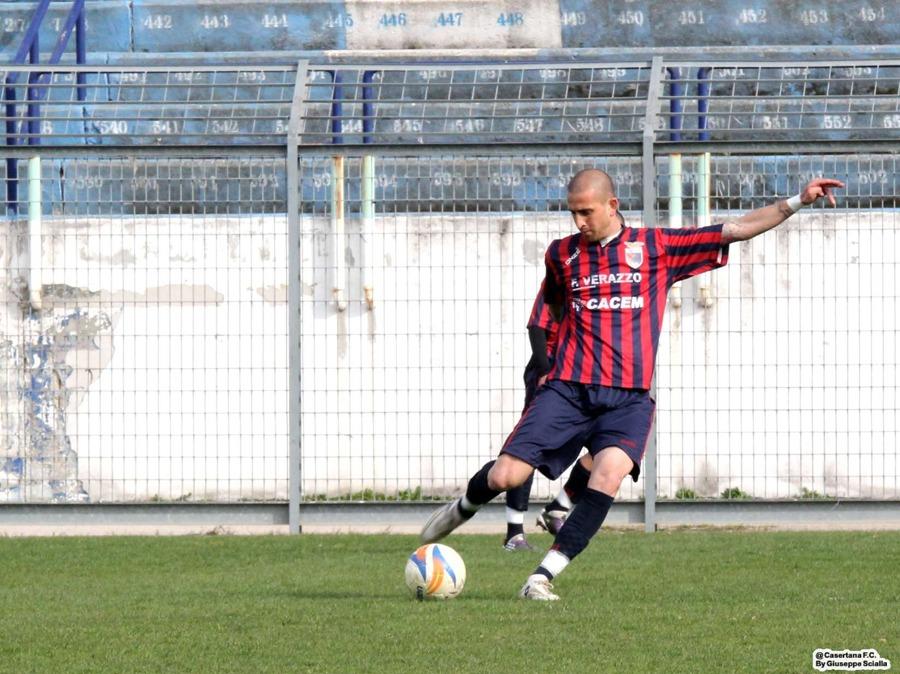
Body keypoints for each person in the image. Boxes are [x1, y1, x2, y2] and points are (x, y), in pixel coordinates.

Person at [421, 168, 844, 600]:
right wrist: (553, 358)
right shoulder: (561, 254)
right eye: (573, 213)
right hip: (568, 390)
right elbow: (552, 307)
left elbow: (734, 230)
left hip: (628, 400)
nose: (579, 222)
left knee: (608, 475)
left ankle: (540, 577)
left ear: (612, 205)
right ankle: (464, 506)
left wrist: (797, 201)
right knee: (507, 475)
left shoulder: (655, 248)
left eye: (587, 212)